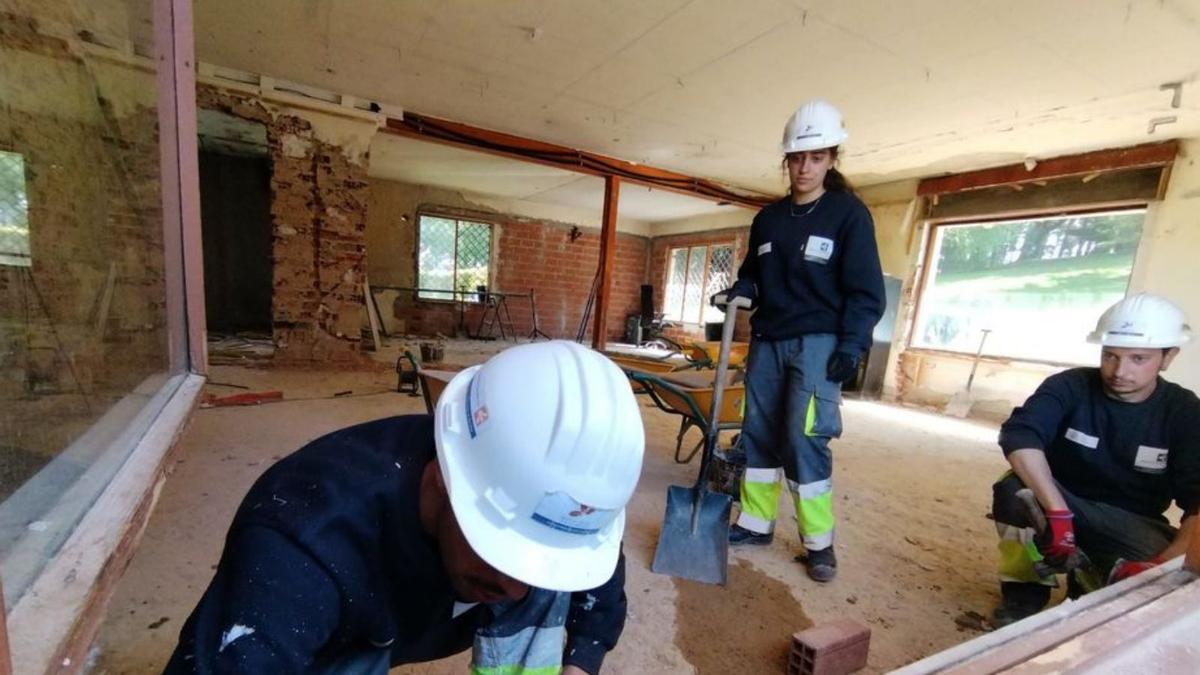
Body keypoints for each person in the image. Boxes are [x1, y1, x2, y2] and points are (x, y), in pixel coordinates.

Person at [163, 340, 644, 674]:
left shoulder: (561, 509)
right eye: (499, 551)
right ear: (442, 479)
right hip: (352, 627)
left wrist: (582, 659)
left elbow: (594, 574)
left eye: (542, 562)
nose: (520, 590)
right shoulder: (300, 550)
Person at [717, 99, 885, 582]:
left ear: (832, 159)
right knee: (759, 434)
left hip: (819, 342)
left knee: (804, 436)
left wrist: (852, 345)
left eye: (815, 157)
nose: (805, 167)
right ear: (786, 161)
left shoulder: (848, 215)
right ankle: (755, 522)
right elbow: (753, 272)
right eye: (797, 158)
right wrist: (742, 289)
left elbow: (866, 291)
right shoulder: (768, 219)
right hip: (768, 339)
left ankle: (819, 542)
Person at [991, 293, 1200, 627]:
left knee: (1170, 574)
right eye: (1110, 356)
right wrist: (1058, 514)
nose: (1120, 371)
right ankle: (1024, 592)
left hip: (1130, 521)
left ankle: (1085, 583)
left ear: (1168, 357)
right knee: (1014, 492)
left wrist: (1162, 563)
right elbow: (1020, 435)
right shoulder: (1070, 386)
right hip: (1061, 499)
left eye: (1138, 358)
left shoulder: (1184, 411)